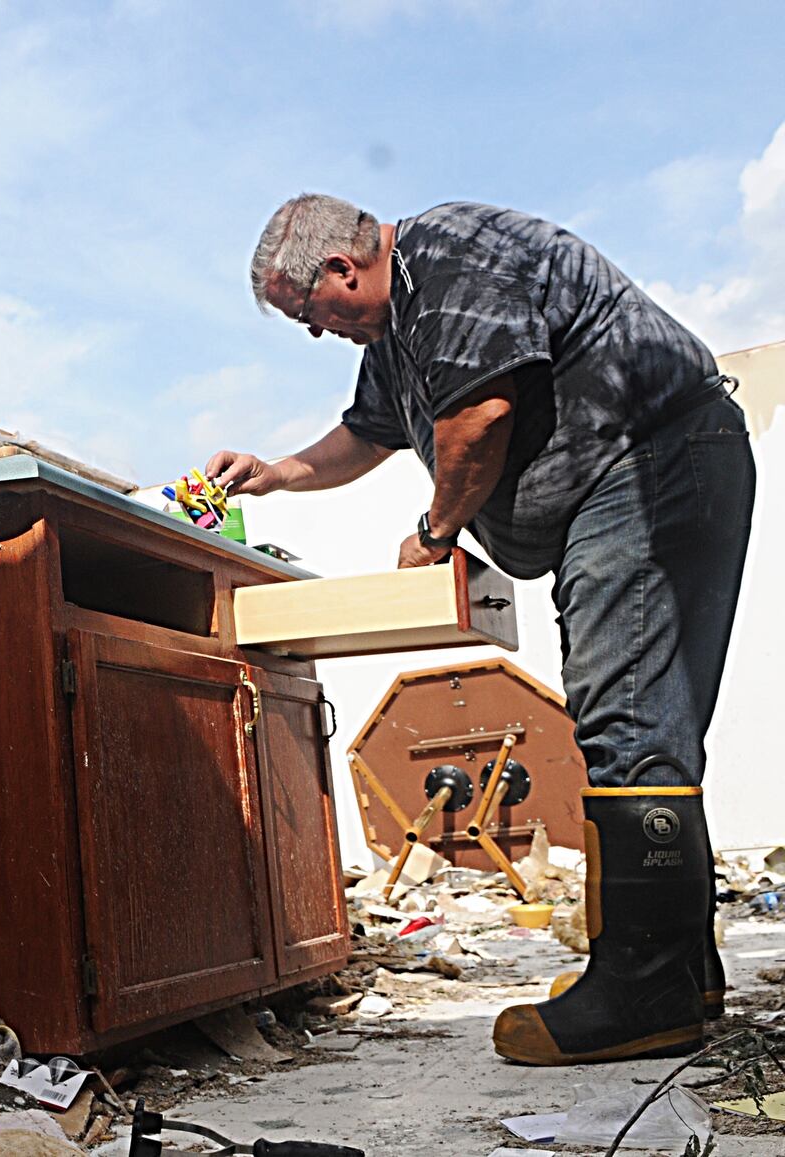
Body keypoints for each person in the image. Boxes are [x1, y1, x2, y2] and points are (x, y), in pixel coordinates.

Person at [208, 194, 755, 1066]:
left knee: (631, 724)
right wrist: (274, 474)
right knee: (643, 722)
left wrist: (435, 534)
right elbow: (366, 434)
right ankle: (680, 969)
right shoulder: (393, 335)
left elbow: (479, 415)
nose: (315, 333)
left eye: (307, 312)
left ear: (343, 270)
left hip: (652, 459)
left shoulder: (449, 254)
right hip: (621, 482)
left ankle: (646, 990)